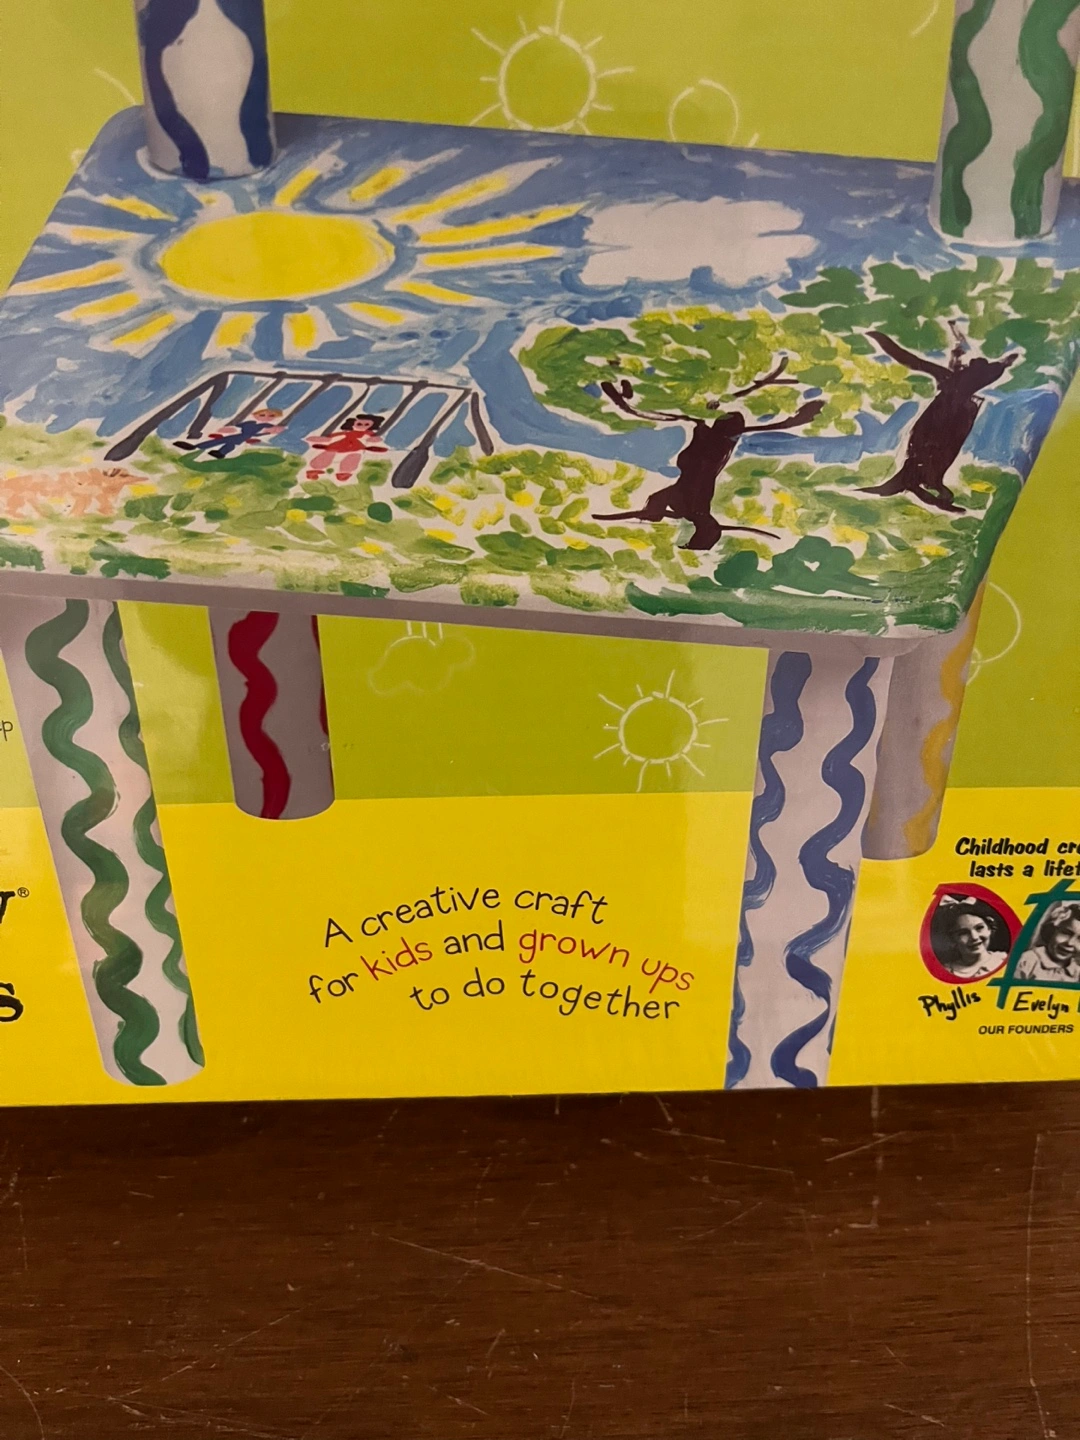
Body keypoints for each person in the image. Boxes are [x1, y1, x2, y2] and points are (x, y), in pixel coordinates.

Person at [931, 896, 1010, 980]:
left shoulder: (1003, 960)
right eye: (963, 933)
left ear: (989, 928)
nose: (974, 937)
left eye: (979, 928)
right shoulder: (946, 971)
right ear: (952, 939)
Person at [175, 408, 284, 460]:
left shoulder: (265, 426)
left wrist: (267, 432)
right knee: (223, 442)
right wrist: (229, 429)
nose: (266, 418)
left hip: (243, 437)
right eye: (262, 415)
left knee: (226, 443)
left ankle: (215, 451)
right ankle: (216, 451)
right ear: (255, 414)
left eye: (271, 416)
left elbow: (261, 433)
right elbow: (238, 426)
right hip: (238, 435)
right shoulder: (250, 422)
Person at [305, 416, 388, 482]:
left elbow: (374, 437)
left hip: (356, 447)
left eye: (367, 425)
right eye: (359, 424)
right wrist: (325, 439)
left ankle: (345, 472)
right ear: (353, 424)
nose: (363, 426)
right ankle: (315, 469)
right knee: (328, 454)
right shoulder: (347, 432)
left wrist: (374, 439)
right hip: (341, 445)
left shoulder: (368, 433)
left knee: (353, 457)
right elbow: (335, 435)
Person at [1015, 903, 1080, 984]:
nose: (1070, 943)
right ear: (1052, 930)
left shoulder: (1077, 972)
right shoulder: (1027, 961)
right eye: (1066, 933)